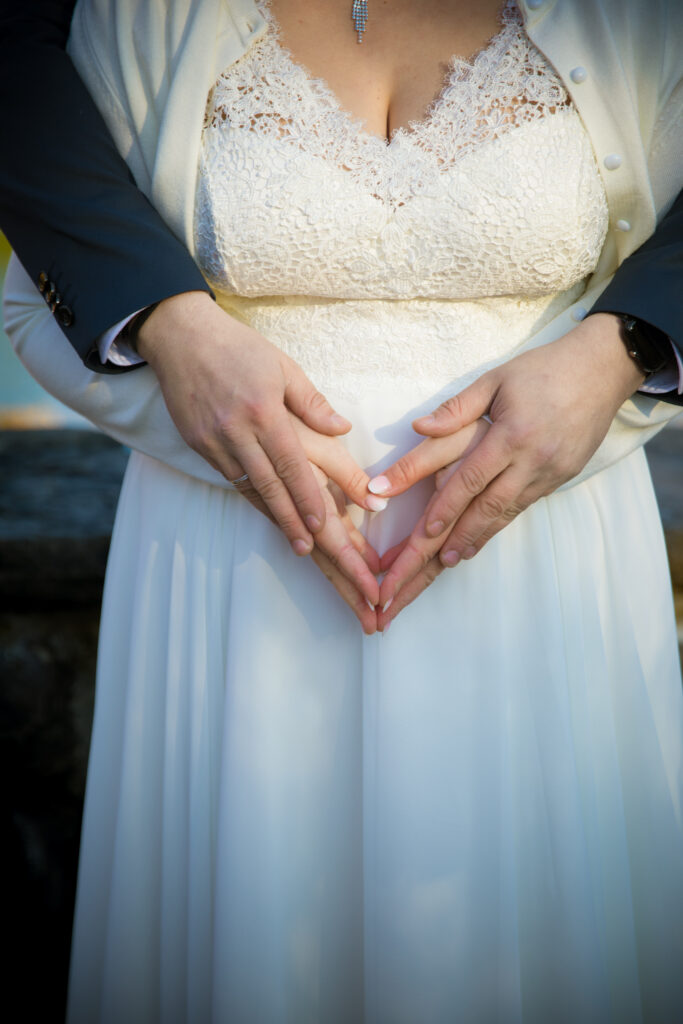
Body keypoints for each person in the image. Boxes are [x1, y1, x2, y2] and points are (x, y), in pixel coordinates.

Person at [3, 0, 683, 1021]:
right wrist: (168, 324)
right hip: (227, 586)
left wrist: (624, 344)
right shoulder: (121, 15)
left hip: (548, 579)